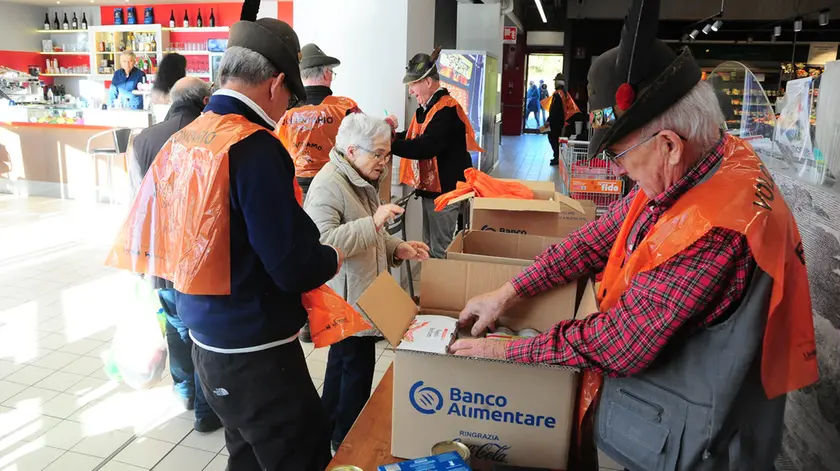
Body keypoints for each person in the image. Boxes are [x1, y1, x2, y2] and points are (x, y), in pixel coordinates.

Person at [450, 0, 818, 469]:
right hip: (665, 421)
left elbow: (625, 341)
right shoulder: (701, 162)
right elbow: (599, 237)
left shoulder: (720, 228)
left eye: (620, 155)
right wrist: (507, 293)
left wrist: (508, 351)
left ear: (667, 145)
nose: (615, 168)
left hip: (696, 440)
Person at [109, 18, 339, 471]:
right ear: (275, 84)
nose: (287, 106)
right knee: (303, 448)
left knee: (247, 454)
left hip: (204, 339)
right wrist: (331, 254)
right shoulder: (254, 147)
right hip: (256, 351)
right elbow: (292, 266)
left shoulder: (187, 136)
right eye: (289, 96)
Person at [304, 113, 429, 454]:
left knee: (344, 364)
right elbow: (322, 242)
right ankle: (346, 440)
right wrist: (375, 222)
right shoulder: (330, 183)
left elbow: (372, 235)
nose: (383, 162)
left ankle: (329, 429)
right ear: (351, 149)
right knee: (355, 369)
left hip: (361, 291)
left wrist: (397, 248)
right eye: (378, 154)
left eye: (387, 154)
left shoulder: (358, 177)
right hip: (345, 297)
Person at [127, 78, 222, 433]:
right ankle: (207, 408)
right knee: (202, 331)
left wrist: (139, 260)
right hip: (201, 257)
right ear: (205, 100)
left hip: (160, 254)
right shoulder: (211, 136)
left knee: (176, 327)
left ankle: (184, 391)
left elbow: (137, 205)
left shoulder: (143, 140)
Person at [276, 43, 361, 344]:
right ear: (326, 74)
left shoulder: (285, 112)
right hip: (336, 187)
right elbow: (361, 147)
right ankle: (333, 317)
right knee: (336, 251)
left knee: (301, 250)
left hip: (295, 188)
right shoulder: (345, 108)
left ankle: (305, 324)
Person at [392, 47, 481, 259]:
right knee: (428, 247)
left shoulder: (446, 110)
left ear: (428, 82)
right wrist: (390, 136)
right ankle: (432, 289)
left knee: (441, 249)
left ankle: (445, 291)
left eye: (413, 85)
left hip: (446, 191)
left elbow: (426, 146)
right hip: (432, 191)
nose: (411, 91)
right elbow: (414, 135)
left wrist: (389, 146)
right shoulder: (427, 108)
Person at [546, 73, 568, 167]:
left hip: (555, 122)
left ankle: (556, 157)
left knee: (552, 138)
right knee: (557, 139)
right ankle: (557, 157)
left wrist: (549, 120)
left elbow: (554, 110)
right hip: (561, 121)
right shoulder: (564, 93)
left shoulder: (557, 94)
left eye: (555, 81)